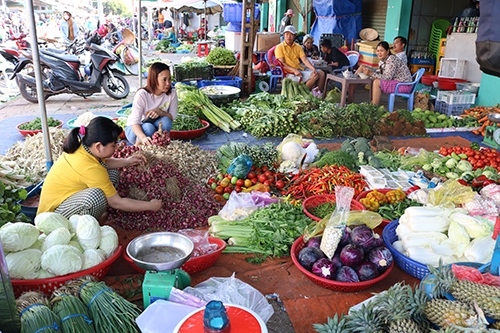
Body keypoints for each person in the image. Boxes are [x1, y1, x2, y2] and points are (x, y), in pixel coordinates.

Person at [37, 117, 162, 220]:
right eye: (113, 145)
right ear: (98, 146)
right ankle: (85, 224)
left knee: (111, 174)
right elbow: (116, 202)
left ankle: (94, 212)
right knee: (96, 197)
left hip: (68, 197)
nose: (116, 148)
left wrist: (127, 161)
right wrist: (150, 205)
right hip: (52, 215)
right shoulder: (89, 167)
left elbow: (104, 164)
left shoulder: (86, 147)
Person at [125, 62, 178, 146]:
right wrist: (143, 138)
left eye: (169, 79)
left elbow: (172, 116)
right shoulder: (142, 94)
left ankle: (160, 143)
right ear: (154, 79)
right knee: (149, 128)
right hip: (135, 130)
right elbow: (134, 122)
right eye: (164, 80)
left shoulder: (172, 93)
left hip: (154, 126)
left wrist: (160, 112)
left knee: (166, 121)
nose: (168, 83)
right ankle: (138, 146)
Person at [357, 41, 413, 106]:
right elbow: (380, 72)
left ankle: (374, 106)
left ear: (388, 51)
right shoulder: (383, 60)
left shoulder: (391, 59)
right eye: (377, 51)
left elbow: (387, 77)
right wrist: (368, 68)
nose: (379, 53)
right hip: (397, 83)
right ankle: (350, 84)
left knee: (376, 82)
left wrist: (371, 73)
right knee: (363, 67)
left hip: (404, 85)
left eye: (381, 51)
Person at [275, 25, 326, 93]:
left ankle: (319, 94)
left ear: (294, 36)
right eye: (287, 34)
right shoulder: (279, 47)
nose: (289, 36)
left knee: (321, 73)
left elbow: (304, 60)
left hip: (300, 69)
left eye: (291, 35)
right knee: (314, 76)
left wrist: (313, 68)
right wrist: (294, 70)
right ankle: (302, 94)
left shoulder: (298, 46)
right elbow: (282, 63)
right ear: (284, 35)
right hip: (289, 72)